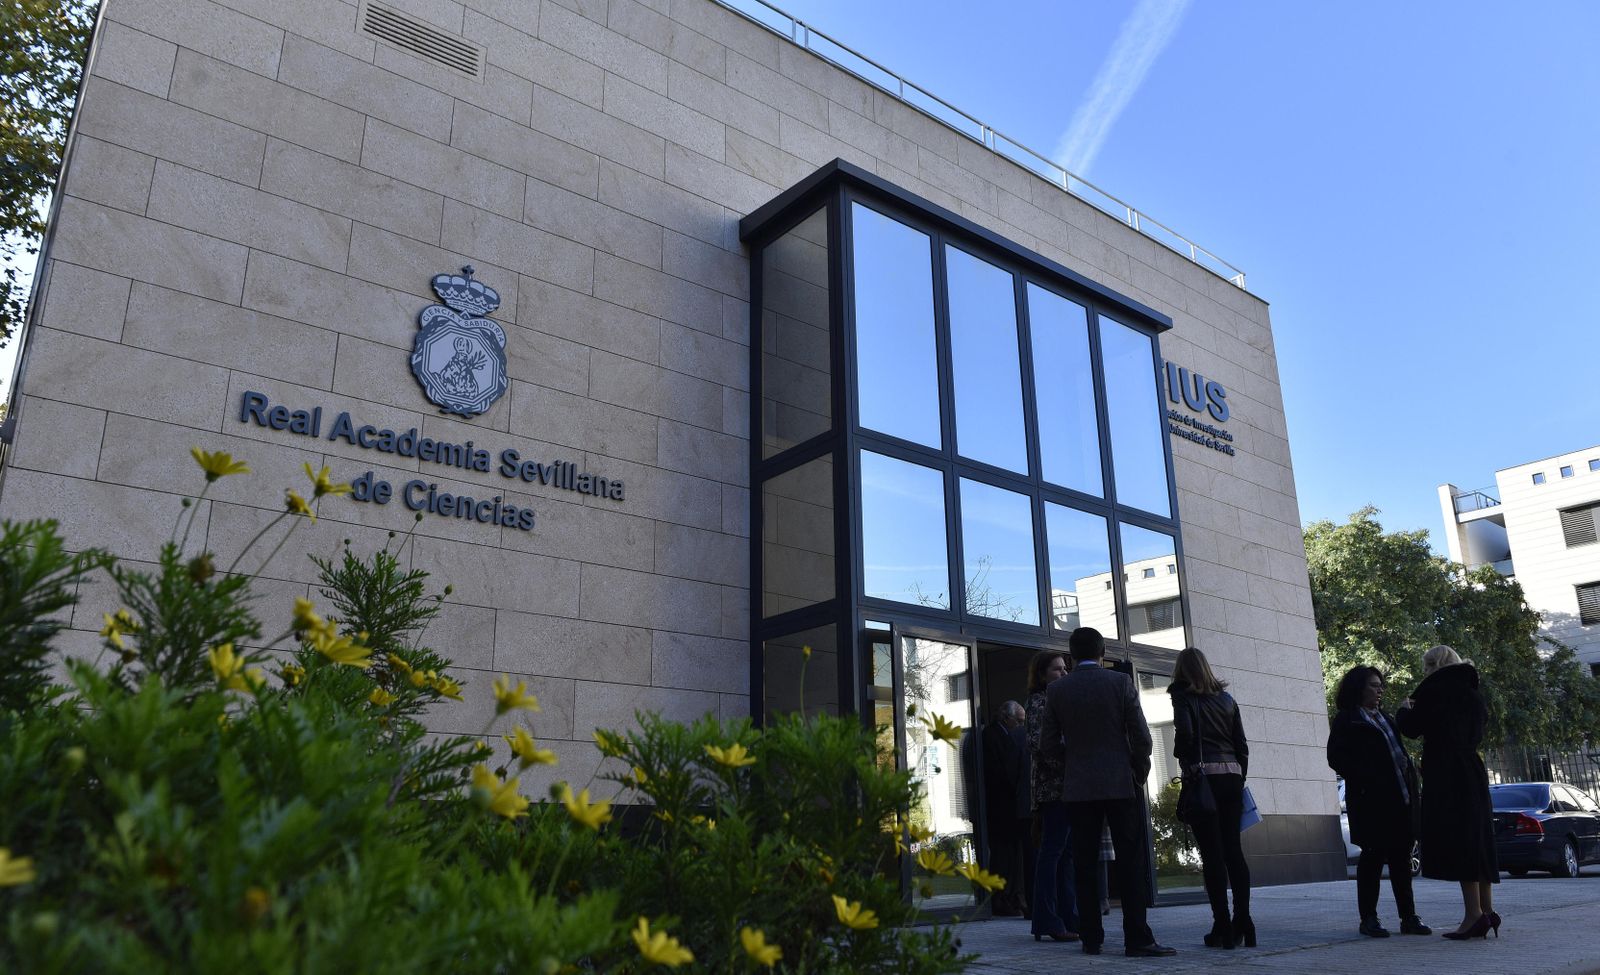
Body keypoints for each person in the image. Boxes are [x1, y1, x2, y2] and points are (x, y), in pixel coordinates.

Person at [1041, 628, 1176, 958]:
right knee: (1130, 862)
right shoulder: (1120, 684)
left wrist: (1072, 762)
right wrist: (1137, 772)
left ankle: (1091, 938)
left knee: (1084, 863)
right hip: (1119, 783)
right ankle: (1137, 938)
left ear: (1071, 658)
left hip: (1078, 787)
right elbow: (1142, 737)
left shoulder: (1057, 690)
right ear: (1102, 653)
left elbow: (1047, 745)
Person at [1395, 645, 1500, 940]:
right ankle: (1488, 911)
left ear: (1432, 665)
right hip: (1473, 768)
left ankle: (1472, 915)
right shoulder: (1474, 693)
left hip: (1447, 772)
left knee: (1461, 839)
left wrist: (1404, 710)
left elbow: (1413, 729)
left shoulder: (1436, 690)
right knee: (1479, 838)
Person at [1326, 666, 1431, 939]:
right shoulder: (1347, 720)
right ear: (1359, 688)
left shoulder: (1385, 717)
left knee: (1400, 859)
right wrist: (1366, 777)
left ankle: (1408, 917)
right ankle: (1369, 919)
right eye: (1374, 685)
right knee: (1372, 859)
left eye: (1380, 685)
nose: (1380, 690)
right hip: (1371, 801)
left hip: (1400, 798)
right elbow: (1335, 758)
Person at [1169, 647, 1253, 949]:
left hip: (1204, 780)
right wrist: (1238, 775)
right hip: (1231, 777)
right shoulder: (1227, 700)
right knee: (1234, 851)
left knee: (1212, 855)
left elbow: (1186, 737)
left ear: (1182, 671)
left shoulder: (1182, 697)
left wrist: (1182, 756)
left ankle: (1223, 926)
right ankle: (1243, 920)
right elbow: (1241, 745)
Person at [1025, 652, 1079, 942]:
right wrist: (1070, 764)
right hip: (1052, 789)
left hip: (1067, 788)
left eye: (1065, 669)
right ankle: (1046, 919)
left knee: (1065, 856)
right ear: (1042, 674)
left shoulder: (1057, 699)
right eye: (1057, 669)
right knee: (1052, 853)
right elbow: (1038, 744)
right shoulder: (1038, 702)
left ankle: (1068, 917)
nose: (1064, 673)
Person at [982, 700, 1029, 916]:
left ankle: (1009, 897)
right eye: (1018, 721)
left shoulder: (1003, 736)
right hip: (1001, 808)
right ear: (1005, 718)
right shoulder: (992, 737)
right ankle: (1000, 900)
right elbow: (999, 773)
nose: (1020, 726)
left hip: (1008, 807)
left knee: (1010, 856)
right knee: (1002, 856)